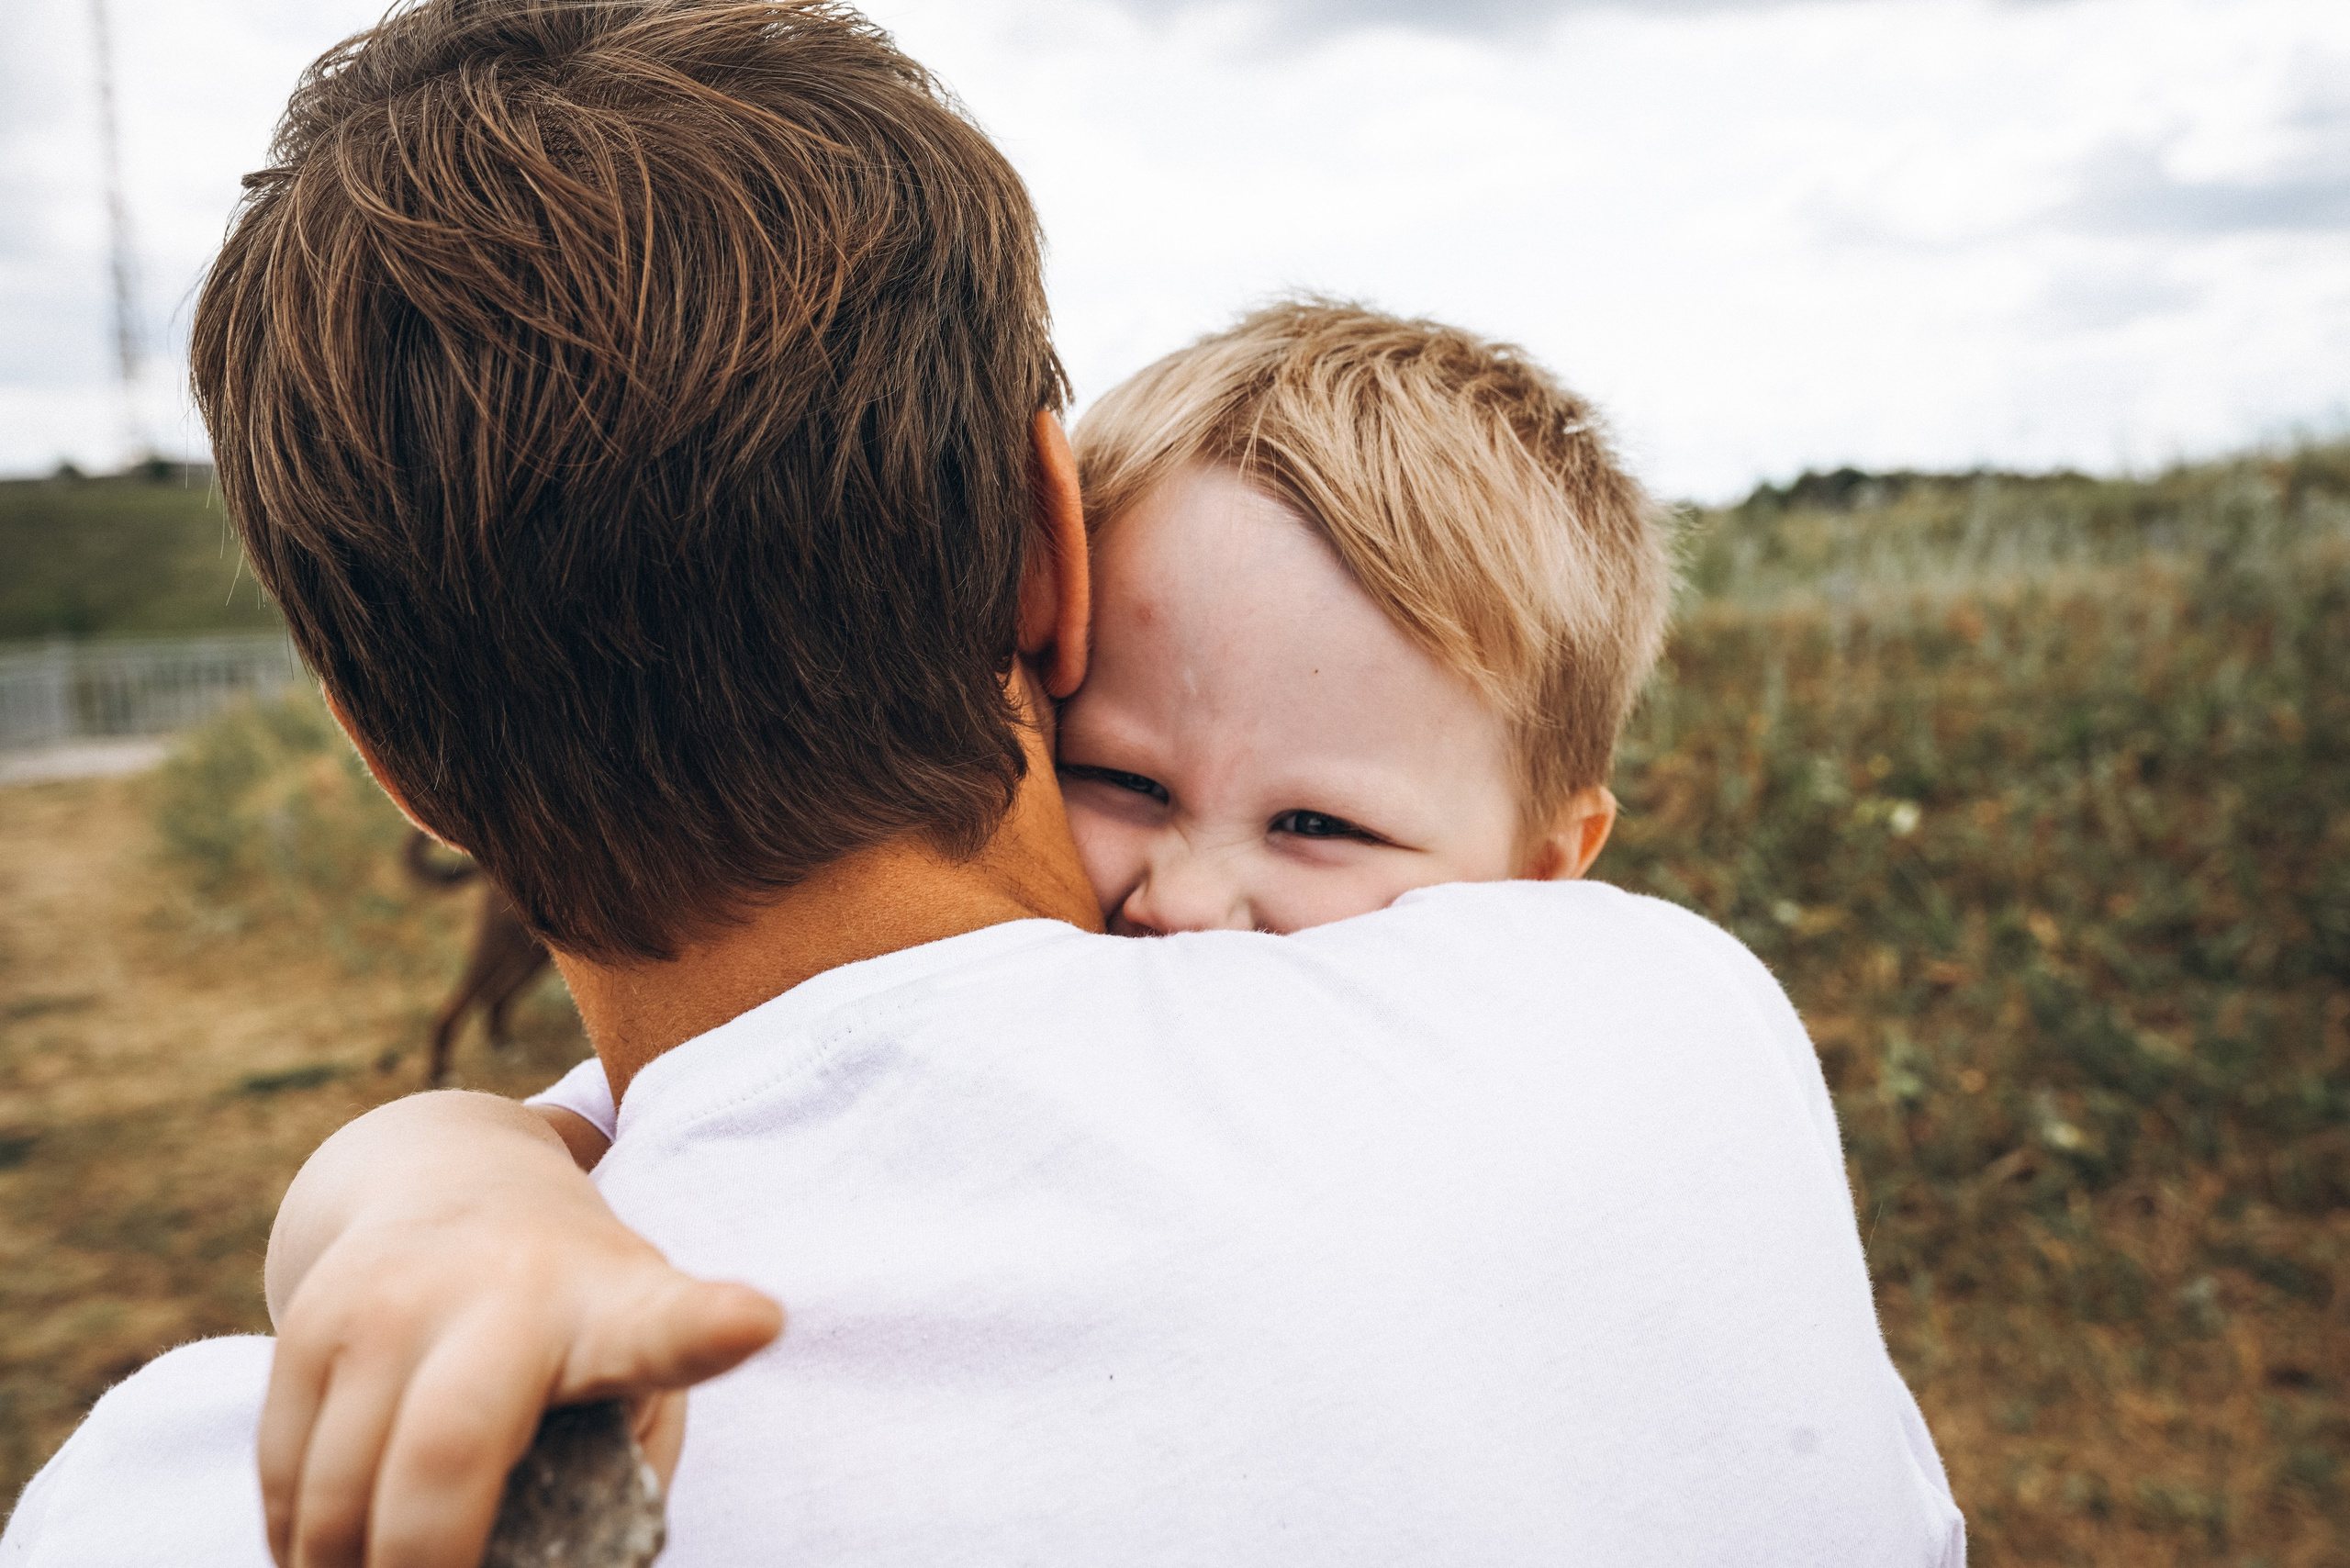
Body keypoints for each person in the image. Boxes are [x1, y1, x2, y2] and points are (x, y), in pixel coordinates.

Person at [0, 6, 1965, 1568]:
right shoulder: (1656, 1007)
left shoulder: (222, 1498)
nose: (1203, 894)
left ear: (382, 744)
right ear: (1053, 542)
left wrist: (430, 1176)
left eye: (1309, 821)